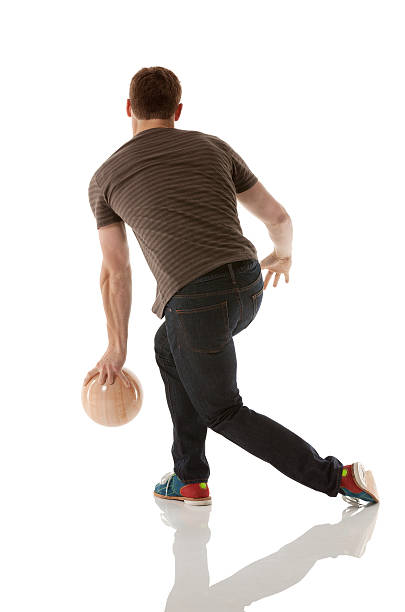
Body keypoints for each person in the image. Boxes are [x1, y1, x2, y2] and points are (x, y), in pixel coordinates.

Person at [83, 66, 379, 508]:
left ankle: (337, 477)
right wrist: (284, 255)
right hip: (246, 286)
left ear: (129, 108)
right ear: (178, 110)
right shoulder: (213, 146)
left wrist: (115, 348)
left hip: (196, 302)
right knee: (168, 346)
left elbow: (116, 271)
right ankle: (189, 479)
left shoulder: (105, 178)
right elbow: (278, 219)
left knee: (223, 411)